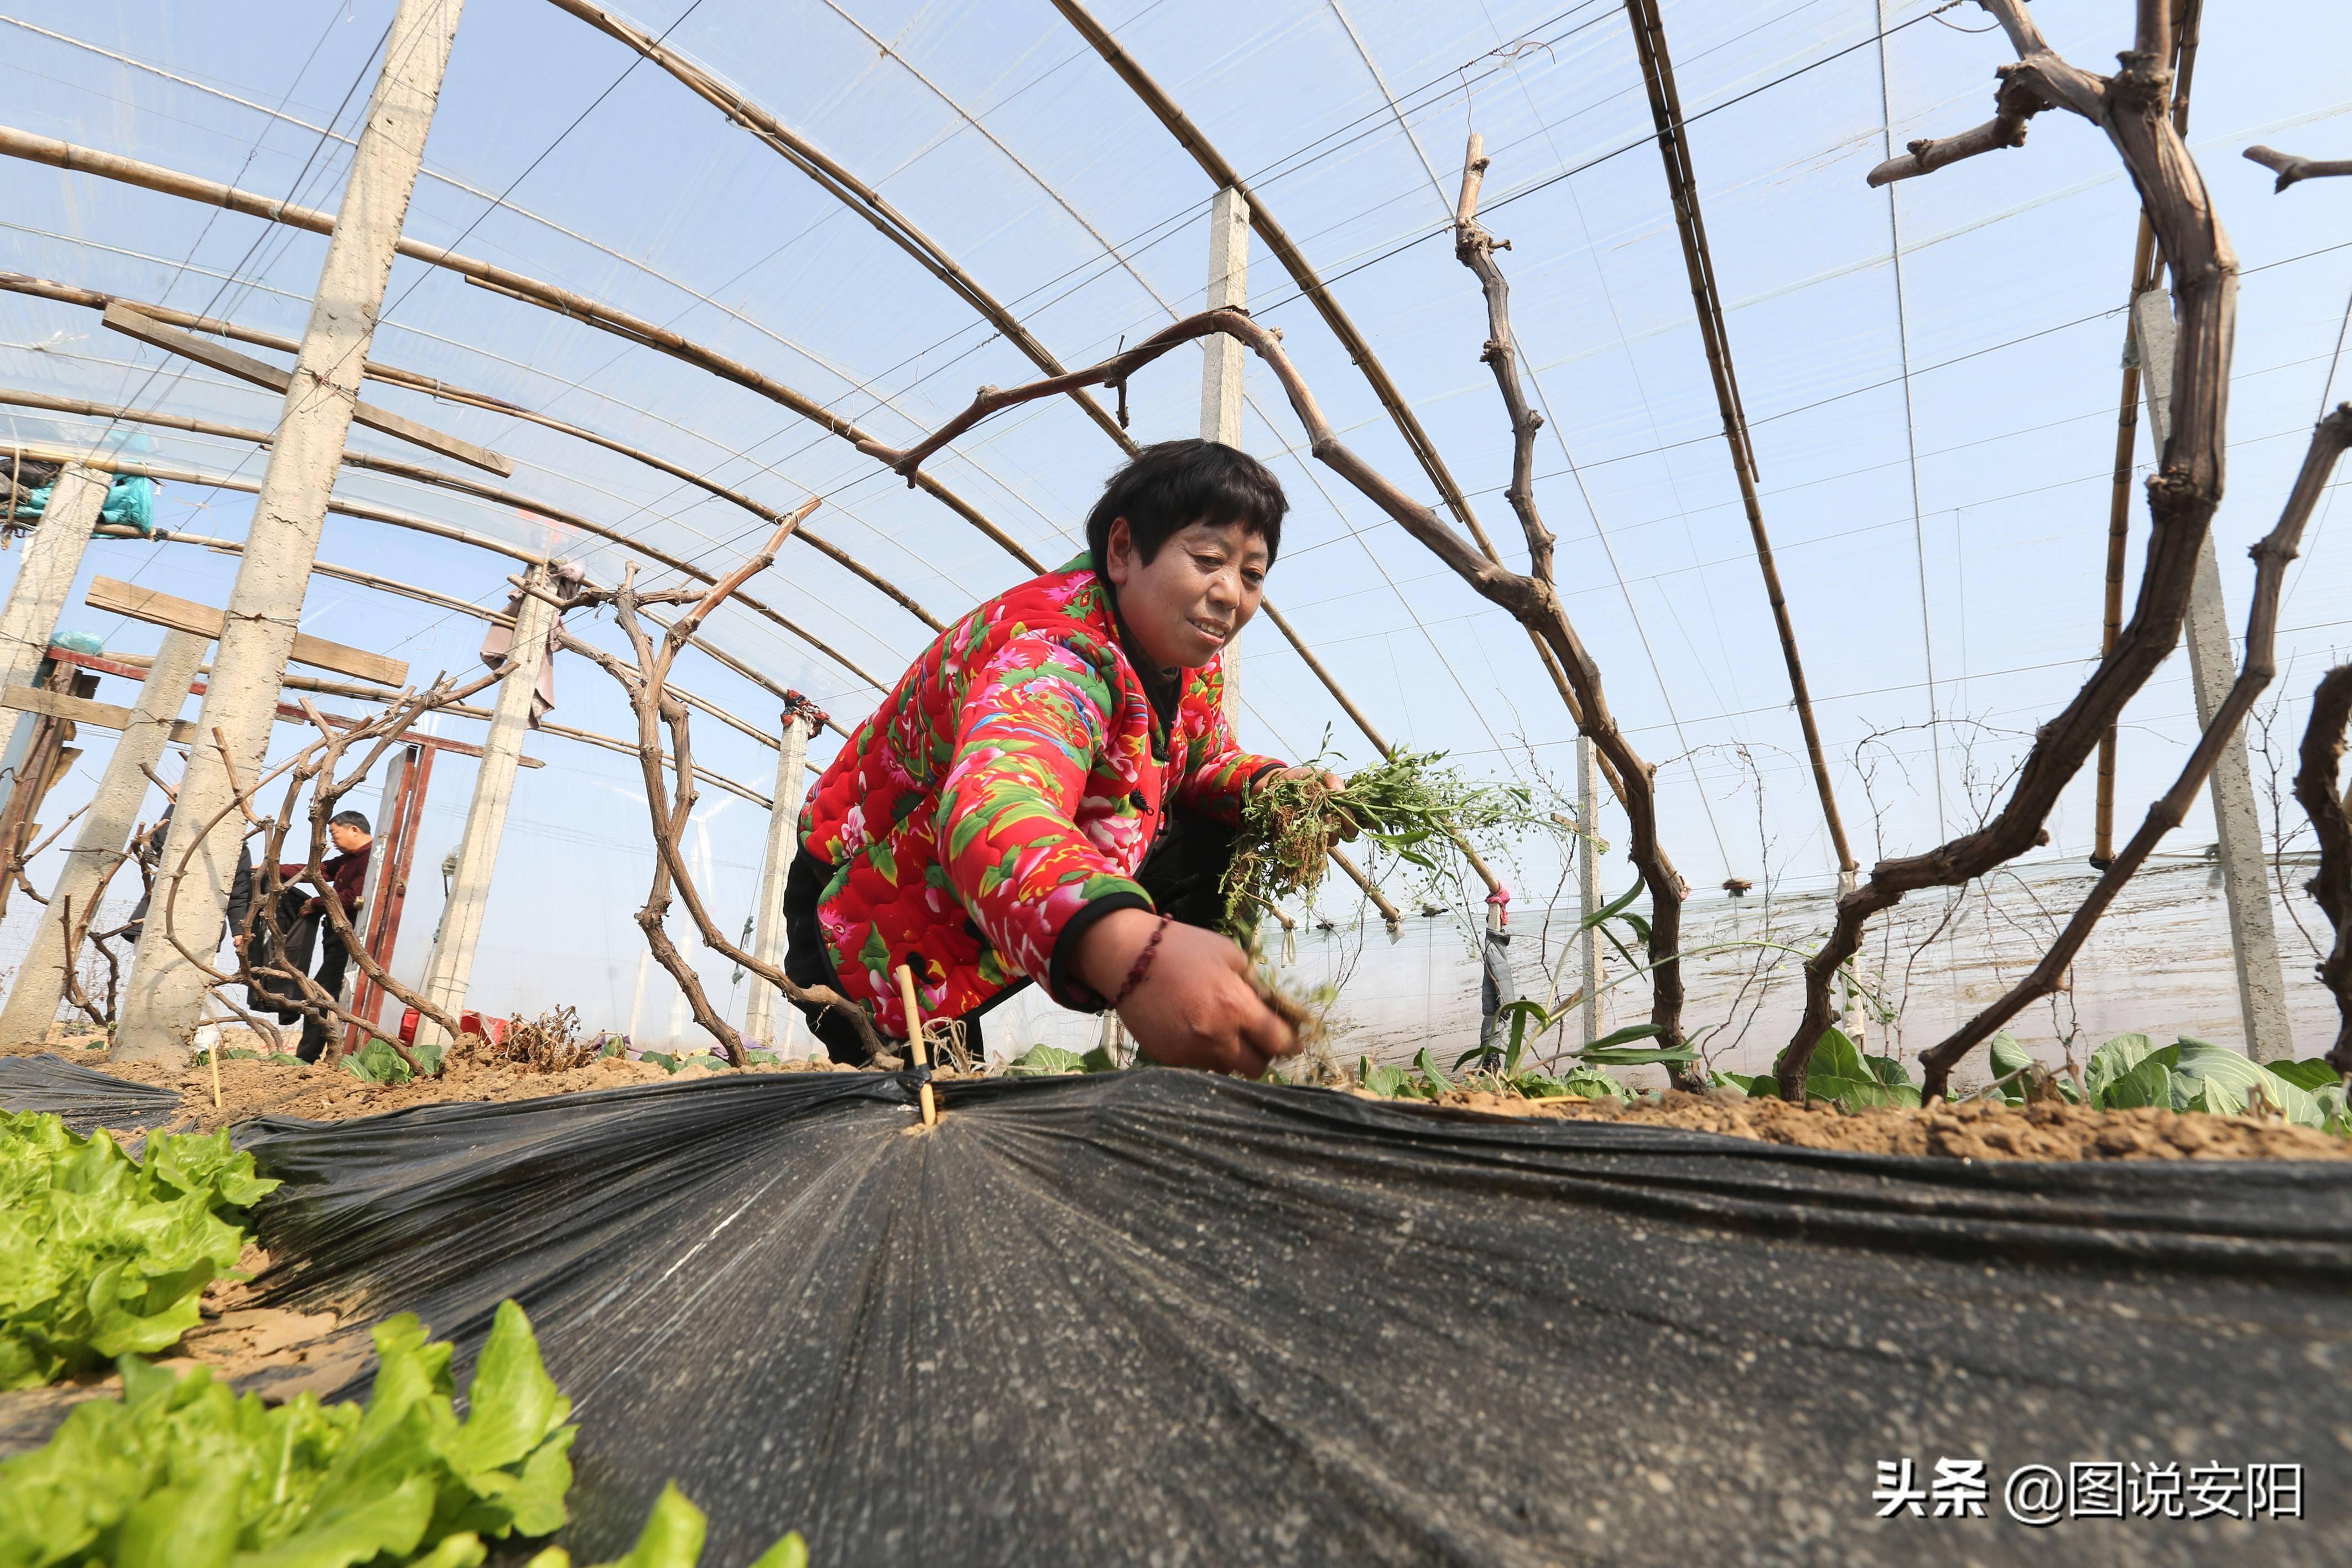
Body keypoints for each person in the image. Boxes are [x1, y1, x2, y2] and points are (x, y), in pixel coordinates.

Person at [785, 439, 1338, 1076]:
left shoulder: (1182, 662)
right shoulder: (1055, 653)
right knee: (922, 1106)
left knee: (1210, 836)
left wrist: (1274, 788)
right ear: (1123, 550)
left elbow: (1198, 764)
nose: (1229, 594)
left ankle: (1188, 1067)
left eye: (1252, 574)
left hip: (984, 899)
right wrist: (1132, 951)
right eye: (1209, 559)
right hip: (867, 908)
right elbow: (993, 805)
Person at [249, 810, 373, 1063]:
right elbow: (317, 871)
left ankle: (308, 1056)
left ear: (354, 830)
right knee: (328, 995)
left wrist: (315, 904)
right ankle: (321, 1054)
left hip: (351, 941)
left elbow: (352, 897)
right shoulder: (348, 859)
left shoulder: (370, 858)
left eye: (334, 833)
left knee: (321, 995)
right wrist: (273, 870)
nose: (332, 840)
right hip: (335, 938)